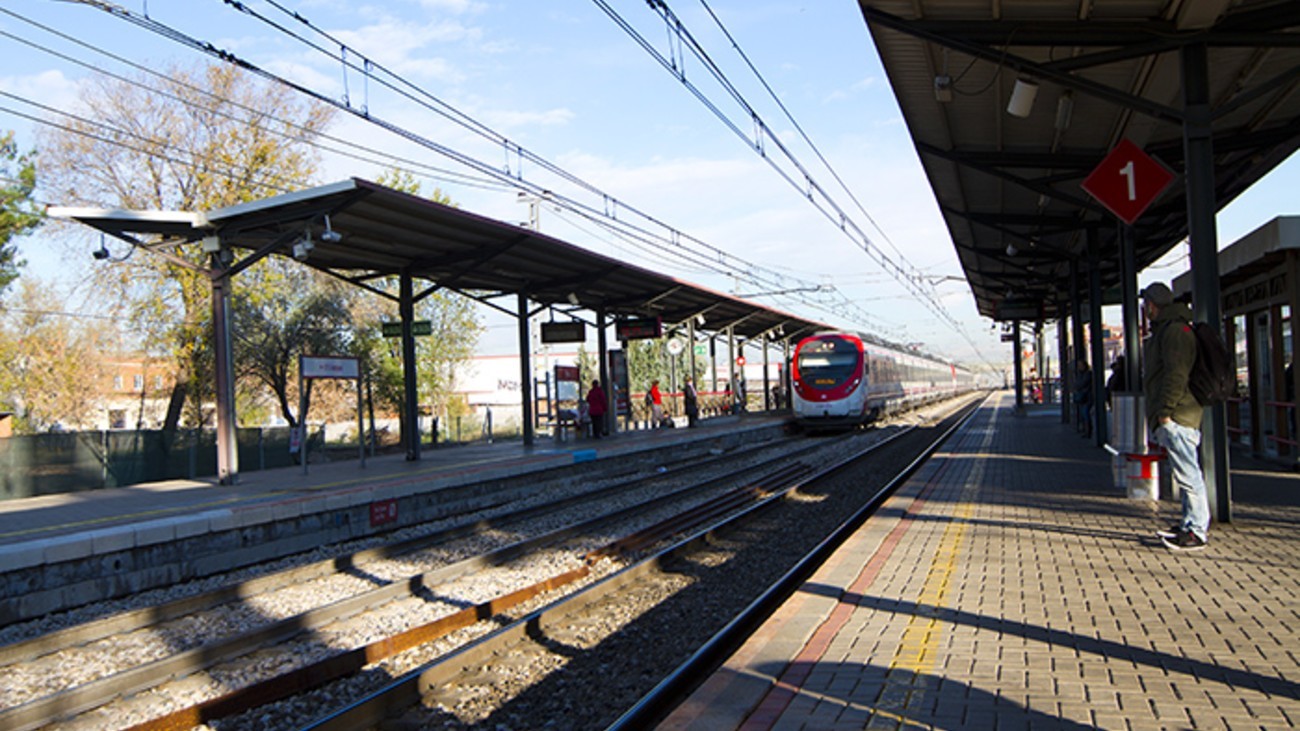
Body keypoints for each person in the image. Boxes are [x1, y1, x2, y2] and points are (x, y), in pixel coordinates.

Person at [1141, 282, 1209, 551]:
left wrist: (1165, 413)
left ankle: (1196, 531)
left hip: (1178, 415)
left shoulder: (1175, 332)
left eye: (1147, 304)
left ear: (1153, 305)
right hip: (1176, 414)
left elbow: (1175, 375)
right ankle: (1187, 524)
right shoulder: (1168, 330)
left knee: (1189, 475)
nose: (1145, 310)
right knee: (1184, 474)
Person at [1073, 359, 1093, 438]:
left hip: (1087, 397)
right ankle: (1086, 430)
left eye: (1080, 365)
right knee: (1084, 413)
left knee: (1085, 413)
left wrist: (1077, 386)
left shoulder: (1087, 374)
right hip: (1084, 397)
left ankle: (1088, 431)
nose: (1079, 367)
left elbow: (1081, 384)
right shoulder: (1081, 374)